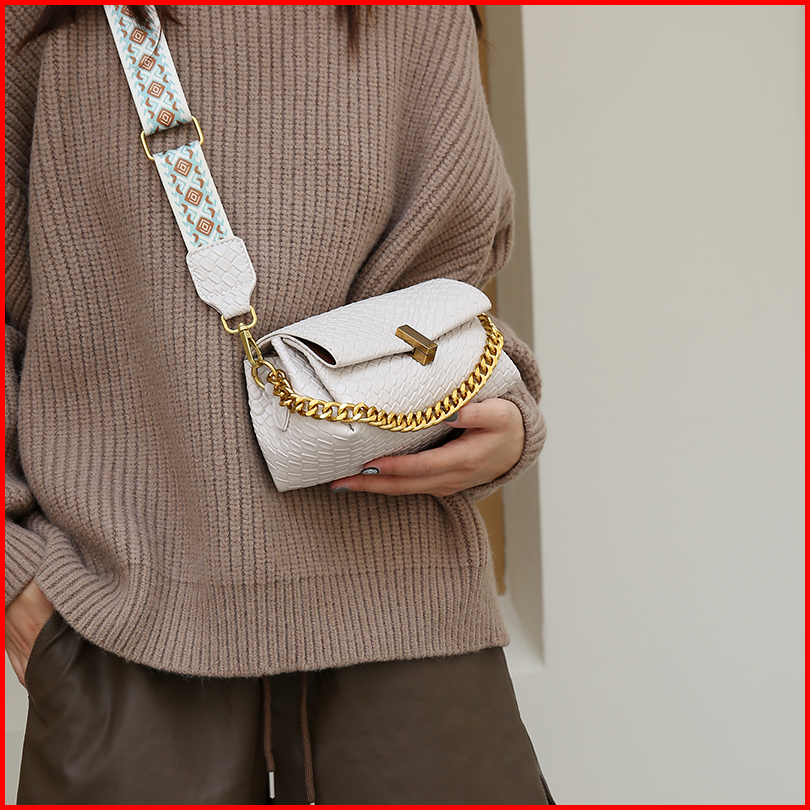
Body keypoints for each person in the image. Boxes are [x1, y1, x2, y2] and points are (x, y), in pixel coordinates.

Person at [5, 4, 552, 804]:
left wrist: (507, 419)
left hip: (405, 616)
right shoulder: (42, 24)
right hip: (118, 626)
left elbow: (446, 299)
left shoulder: (418, 15)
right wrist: (16, 575)